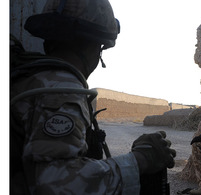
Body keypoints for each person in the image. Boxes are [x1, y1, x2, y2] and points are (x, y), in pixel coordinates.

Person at [10, 0, 176, 194]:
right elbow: (56, 184)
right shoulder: (62, 88)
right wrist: (140, 160)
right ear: (94, 47)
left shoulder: (27, 77)